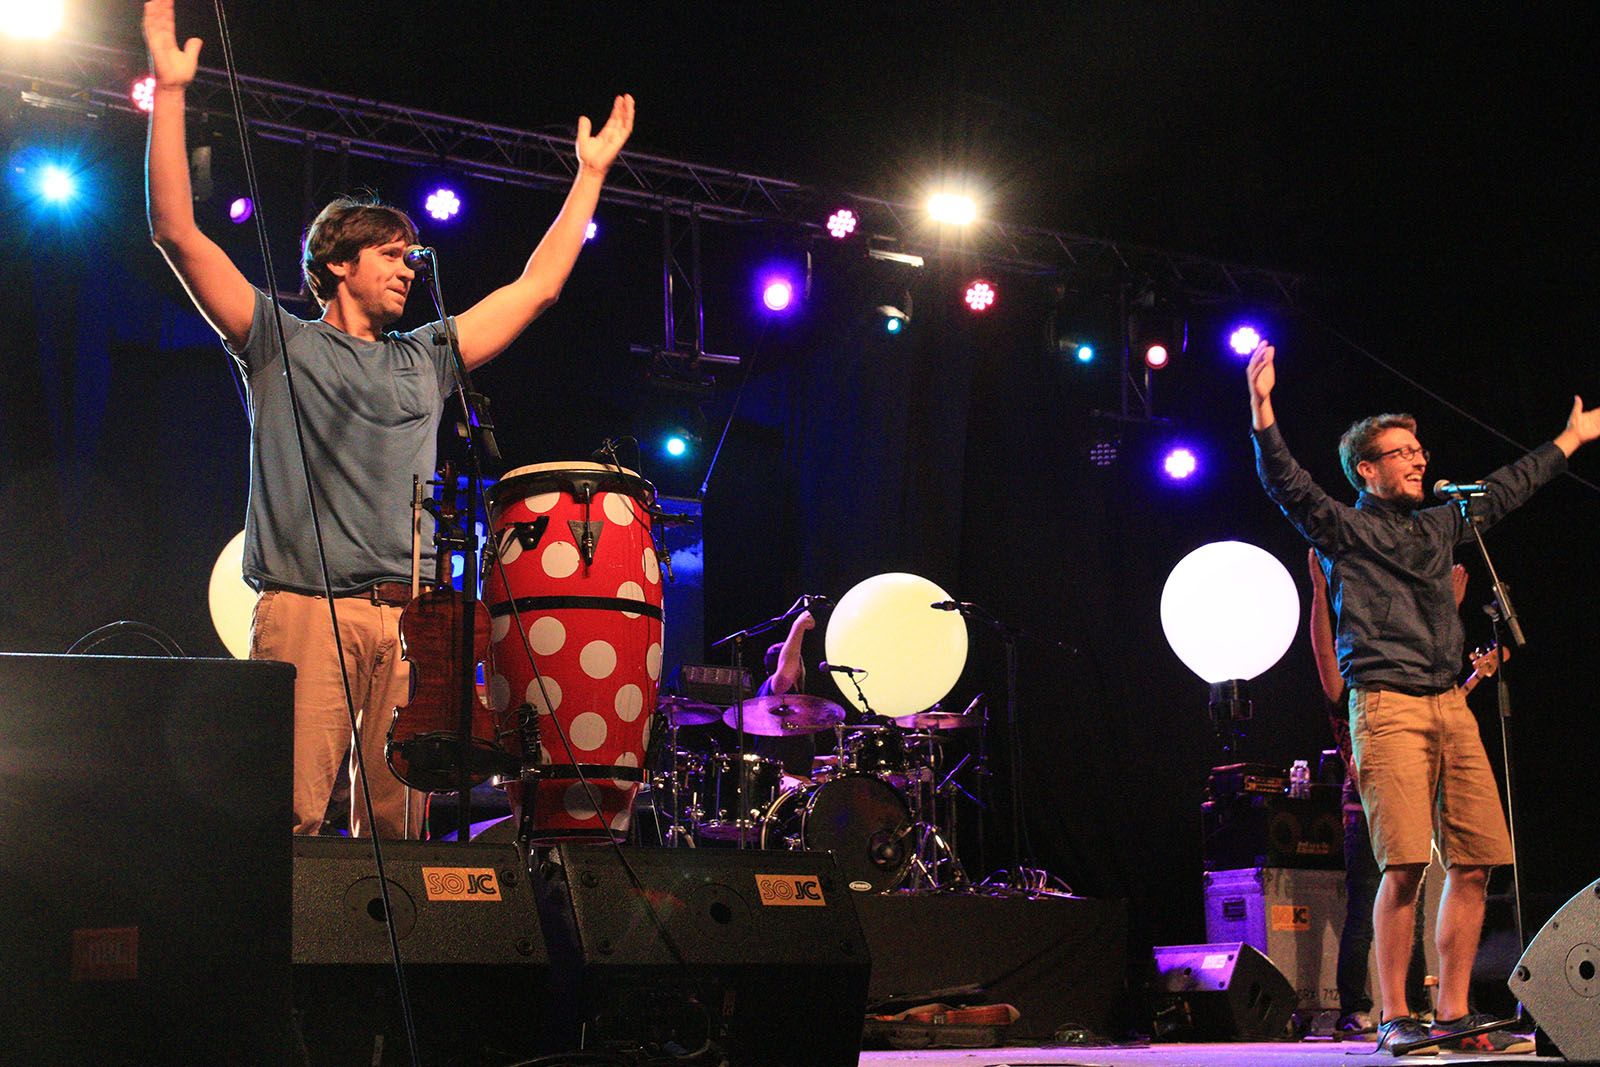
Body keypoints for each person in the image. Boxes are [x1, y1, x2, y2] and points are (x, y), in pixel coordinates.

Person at [143, 0, 634, 838]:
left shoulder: (426, 356)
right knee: (289, 817)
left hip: (409, 621)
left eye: (412, 255)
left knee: (399, 831)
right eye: (390, 255)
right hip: (306, 606)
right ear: (337, 263)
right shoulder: (279, 342)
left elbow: (536, 289)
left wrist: (589, 176)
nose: (408, 268)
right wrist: (171, 89)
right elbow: (177, 232)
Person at [1248, 339, 1595, 1054]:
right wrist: (1263, 412)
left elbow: (1507, 486)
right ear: (1367, 469)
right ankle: (1393, 1015)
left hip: (1449, 703)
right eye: (1402, 451)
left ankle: (1454, 1011)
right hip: (1387, 704)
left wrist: (1569, 439)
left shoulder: (1442, 523)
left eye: (1419, 448)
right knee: (1403, 862)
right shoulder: (1344, 527)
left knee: (1475, 857)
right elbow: (1286, 481)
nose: (1419, 458)